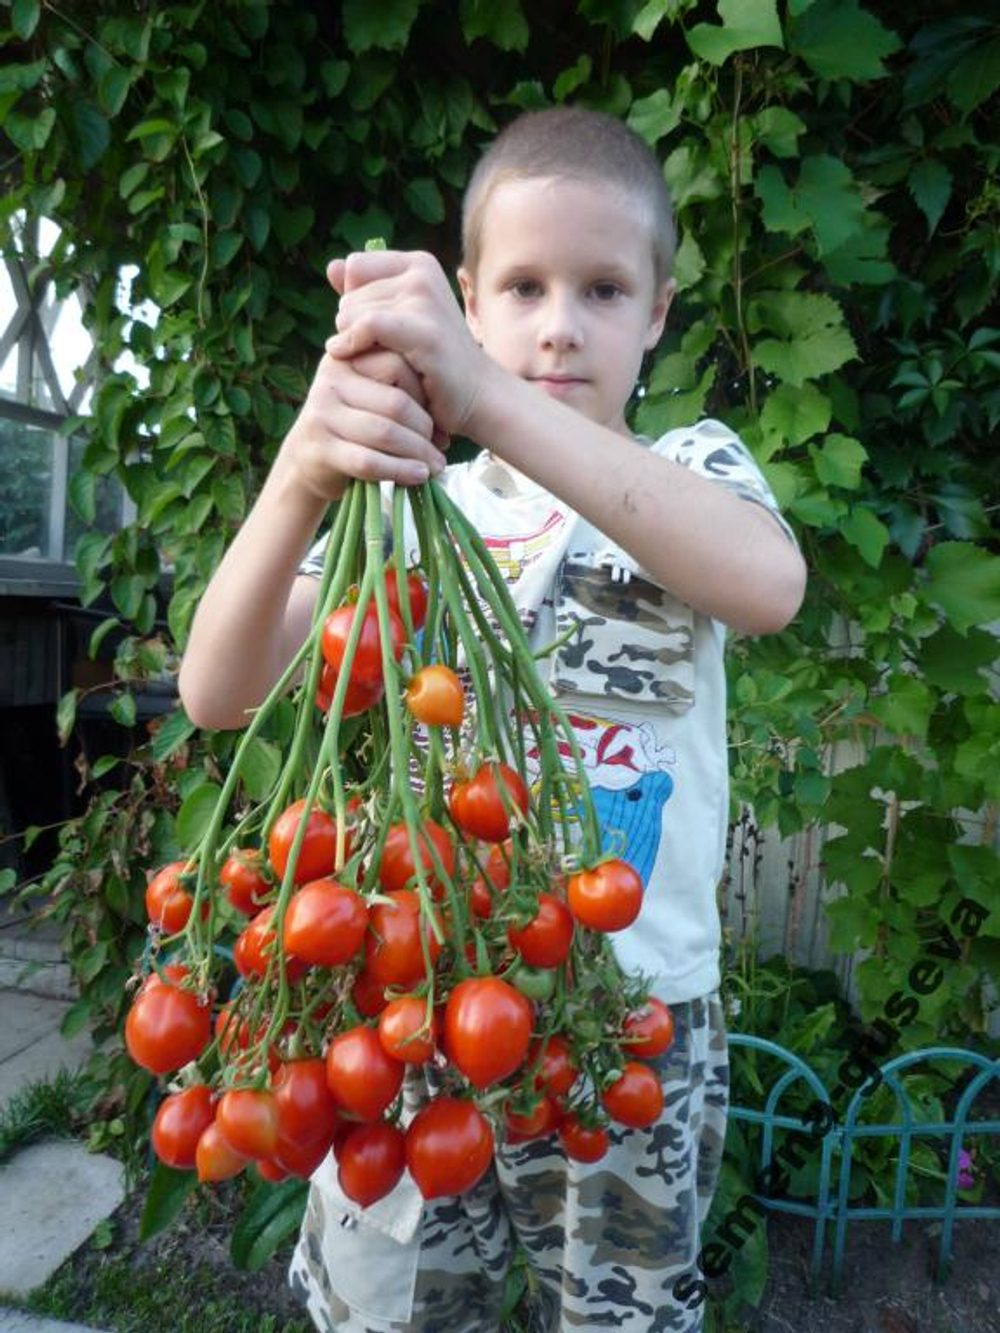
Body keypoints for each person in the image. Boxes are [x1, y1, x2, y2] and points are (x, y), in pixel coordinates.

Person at [179, 107, 806, 1332]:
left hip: (621, 1019)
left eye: (603, 288)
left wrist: (488, 398)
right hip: (411, 1012)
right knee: (404, 1313)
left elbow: (767, 584)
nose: (560, 323)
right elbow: (218, 689)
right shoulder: (414, 518)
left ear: (659, 313)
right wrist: (306, 468)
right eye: (522, 287)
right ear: (468, 299)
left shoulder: (690, 469)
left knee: (613, 1314)